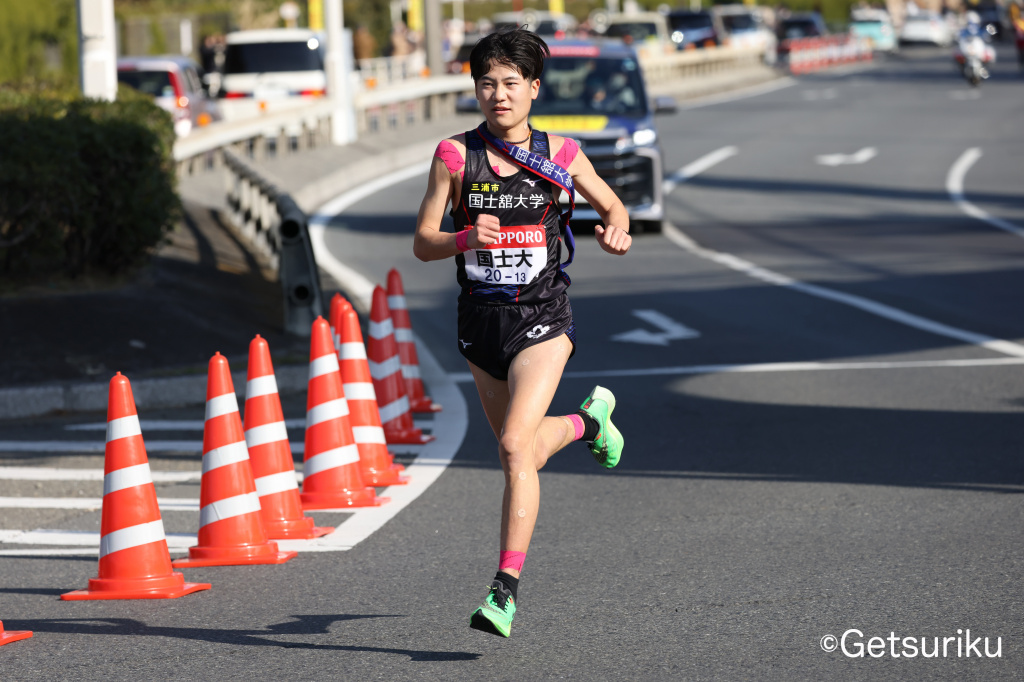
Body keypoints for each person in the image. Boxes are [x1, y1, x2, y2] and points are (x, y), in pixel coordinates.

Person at [413, 28, 631, 638]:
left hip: (543, 317)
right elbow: (423, 240)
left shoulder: (561, 155)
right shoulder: (455, 156)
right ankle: (589, 422)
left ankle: (503, 592)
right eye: (487, 83)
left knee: (513, 446)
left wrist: (616, 229)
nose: (498, 95)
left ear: (534, 89)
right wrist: (464, 238)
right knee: (525, 451)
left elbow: (615, 207)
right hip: (479, 323)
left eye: (511, 84)